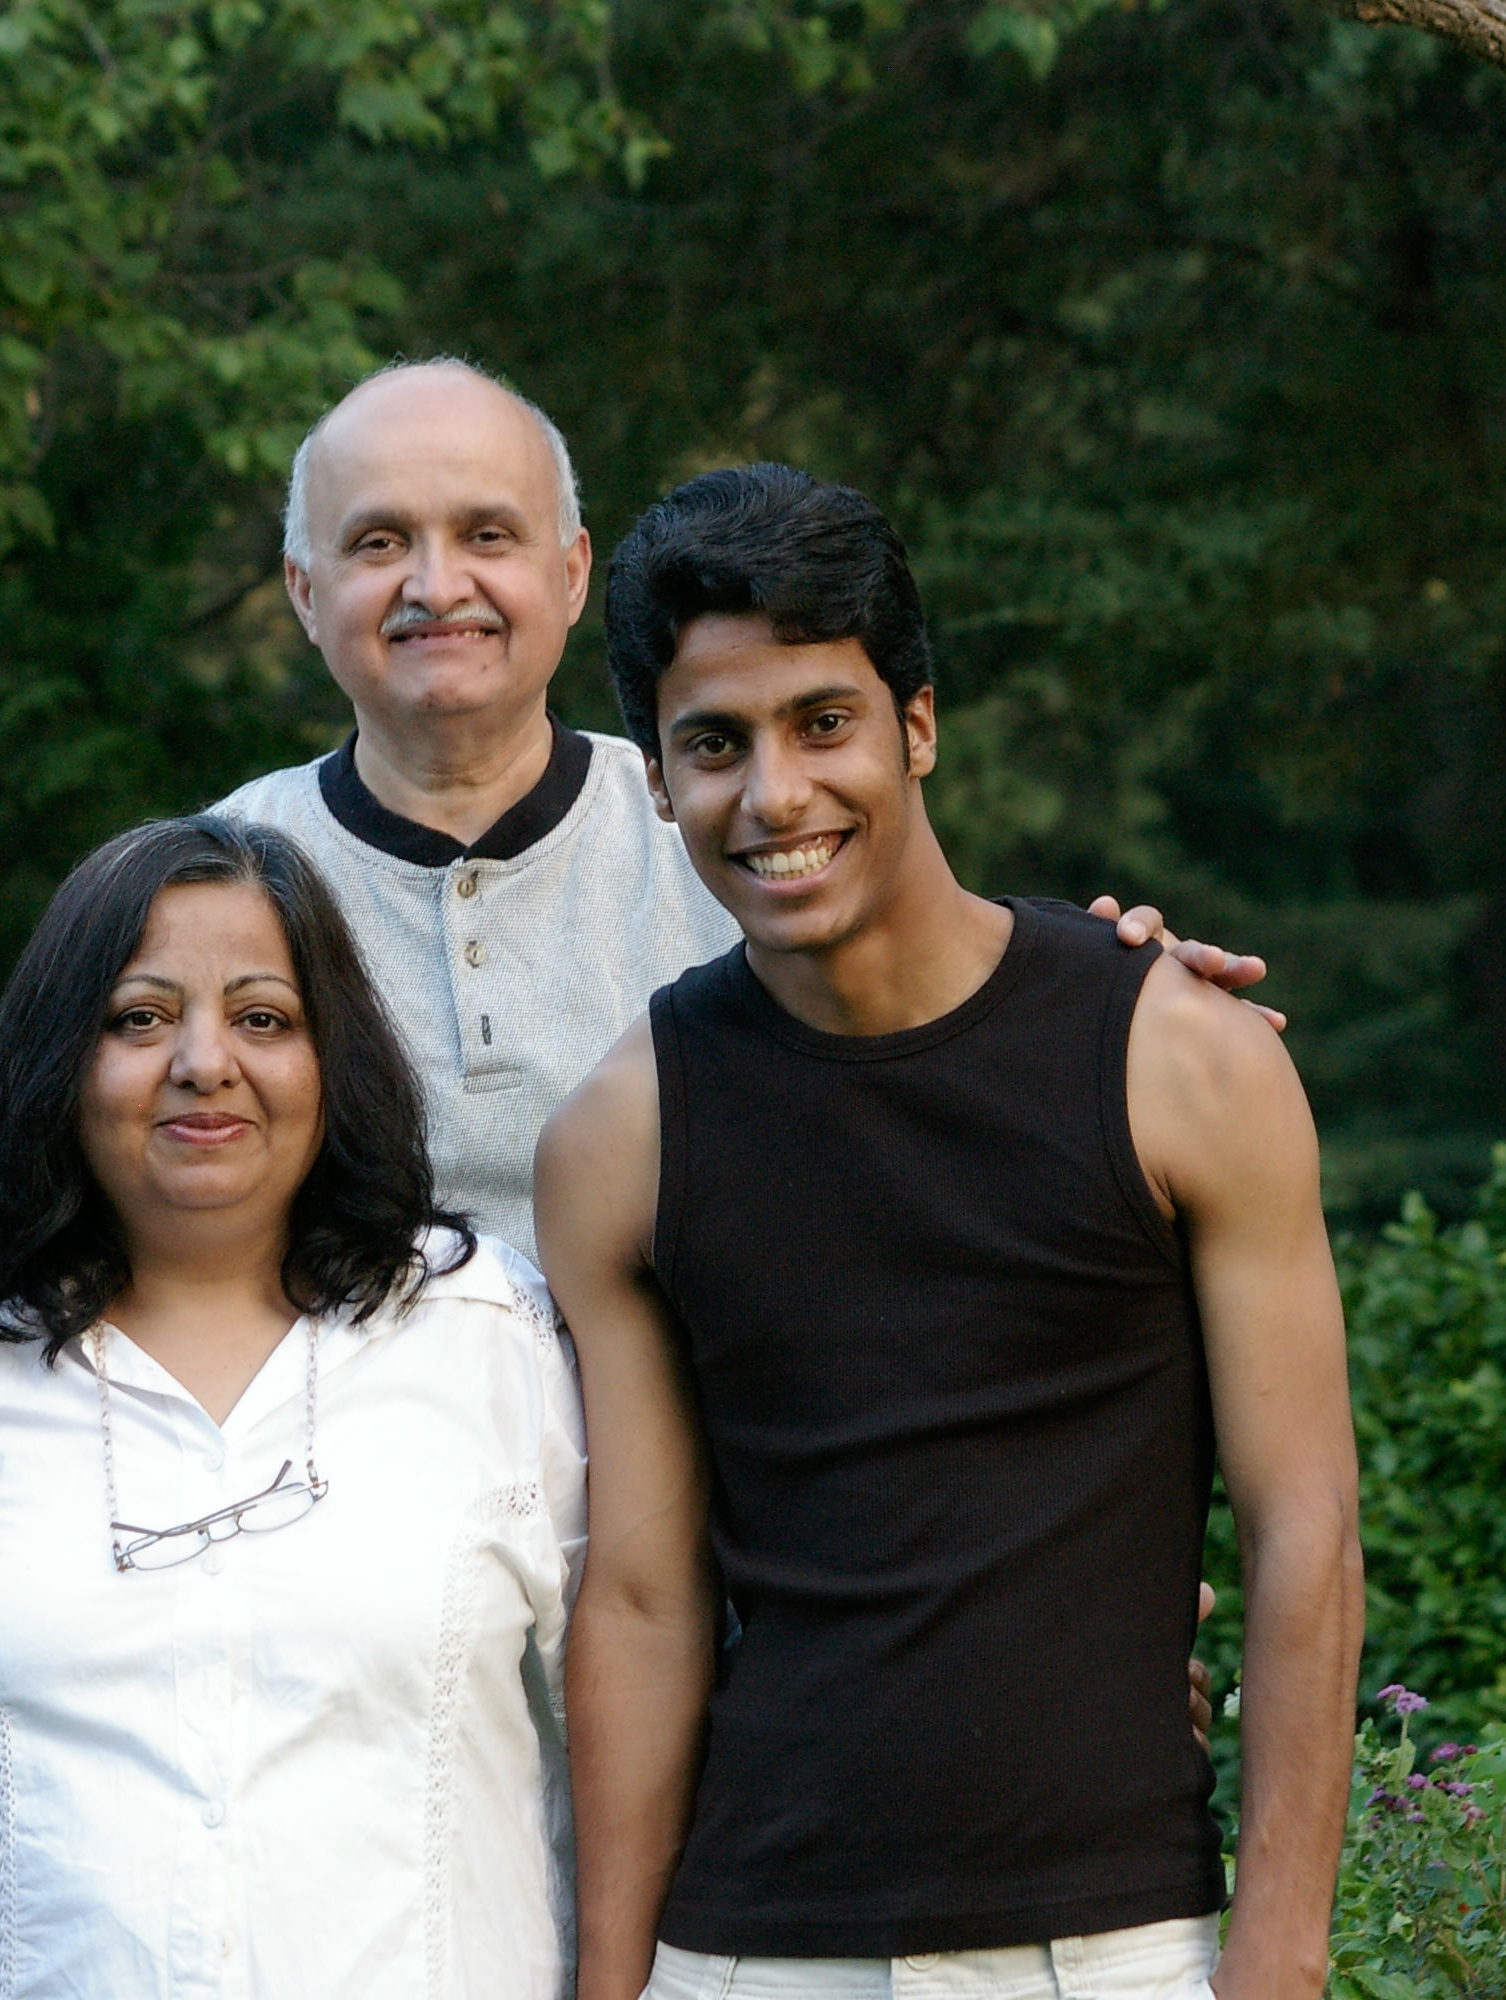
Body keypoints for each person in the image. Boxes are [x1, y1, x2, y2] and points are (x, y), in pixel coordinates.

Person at [0, 356, 1270, 1381]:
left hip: (741, 1567)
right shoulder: (206, 898)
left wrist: (1113, 989)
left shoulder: (737, 834)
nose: (435, 584)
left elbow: (951, 1059)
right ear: (306, 594)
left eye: (484, 535)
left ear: (571, 576)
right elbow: (67, 1210)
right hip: (349, 1584)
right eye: (379, 543)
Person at [536, 466, 1364, 2000]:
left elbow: (1303, 1528)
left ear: (917, 724)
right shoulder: (620, 1139)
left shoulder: (1181, 1062)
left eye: (822, 722)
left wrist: (1279, 1961)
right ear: (656, 779)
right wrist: (614, 1986)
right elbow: (643, 1604)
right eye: (714, 744)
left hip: (1116, 1951)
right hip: (750, 1953)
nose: (774, 795)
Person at [0, 814, 586, 1998]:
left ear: (333, 1055)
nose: (203, 1060)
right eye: (138, 1017)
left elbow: (630, 1697)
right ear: (57, 1057)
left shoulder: (489, 1332)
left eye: (262, 1017)